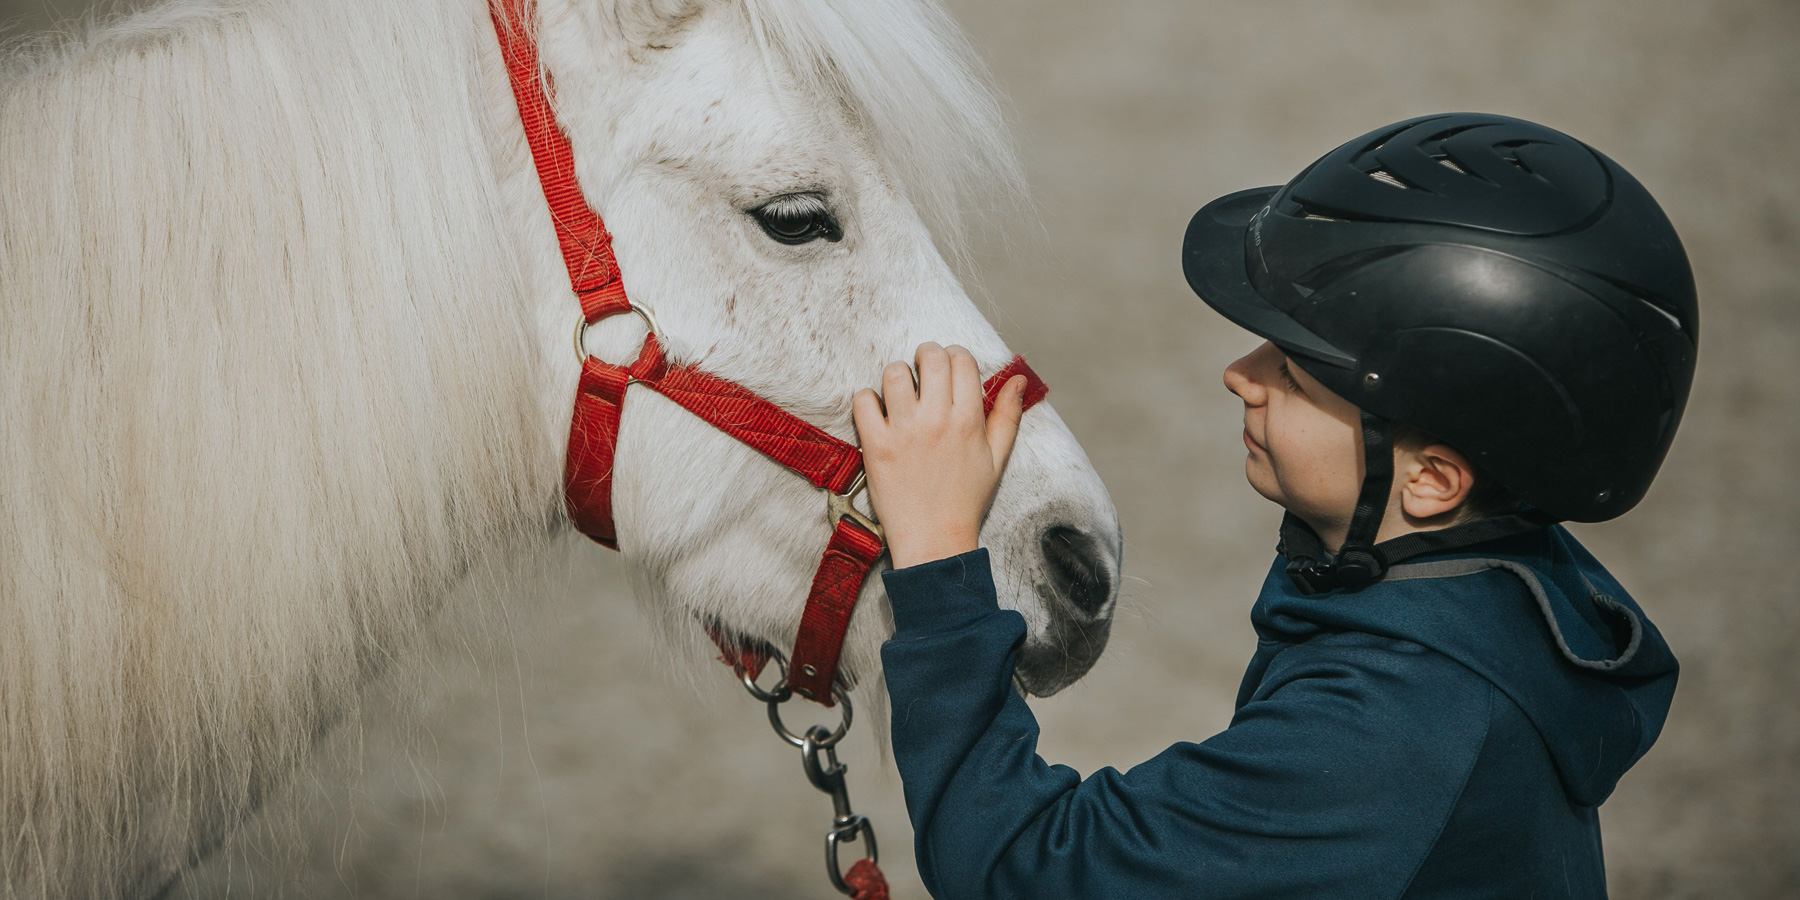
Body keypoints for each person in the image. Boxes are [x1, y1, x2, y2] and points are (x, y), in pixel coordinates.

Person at [850, 113, 1694, 899]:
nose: (1241, 374)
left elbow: (1028, 869)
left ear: (1432, 481)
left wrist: (935, 553)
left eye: (1295, 371)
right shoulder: (1492, 599)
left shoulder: (1397, 734)